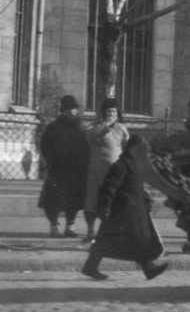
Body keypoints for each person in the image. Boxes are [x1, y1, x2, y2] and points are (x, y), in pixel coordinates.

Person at [81, 135, 168, 281]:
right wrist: (105, 207)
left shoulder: (133, 164)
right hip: (121, 210)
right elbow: (109, 187)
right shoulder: (121, 165)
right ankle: (148, 268)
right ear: (134, 149)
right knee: (121, 239)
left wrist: (145, 199)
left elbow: (136, 186)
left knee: (132, 239)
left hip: (131, 210)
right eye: (142, 148)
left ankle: (148, 268)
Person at [39, 95, 89, 237]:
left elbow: (87, 146)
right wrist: (50, 161)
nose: (72, 112)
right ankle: (54, 226)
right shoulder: (53, 127)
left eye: (74, 109)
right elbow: (45, 146)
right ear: (63, 111)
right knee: (52, 199)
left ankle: (70, 226)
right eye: (69, 109)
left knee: (74, 199)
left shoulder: (81, 127)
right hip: (57, 169)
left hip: (77, 170)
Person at [83, 98, 130, 241]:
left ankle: (110, 232)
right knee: (92, 201)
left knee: (113, 201)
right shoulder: (94, 127)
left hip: (114, 172)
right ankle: (90, 231)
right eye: (109, 111)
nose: (111, 114)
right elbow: (90, 137)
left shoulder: (122, 128)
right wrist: (105, 126)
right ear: (103, 113)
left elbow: (127, 146)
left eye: (114, 111)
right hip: (97, 171)